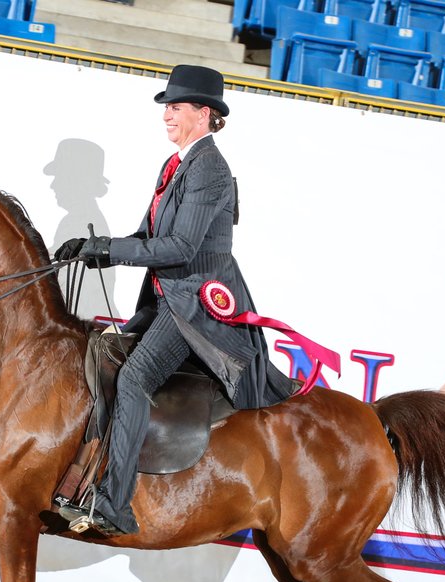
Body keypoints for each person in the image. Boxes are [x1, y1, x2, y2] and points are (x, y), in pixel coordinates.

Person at [56, 64, 295, 535]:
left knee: (134, 379)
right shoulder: (177, 165)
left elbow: (181, 248)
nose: (166, 114)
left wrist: (109, 251)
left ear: (204, 114)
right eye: (167, 106)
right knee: (104, 359)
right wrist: (94, 248)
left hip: (195, 305)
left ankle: (115, 504)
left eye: (176, 107)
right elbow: (148, 236)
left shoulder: (208, 169)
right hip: (168, 296)